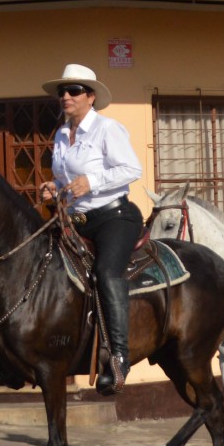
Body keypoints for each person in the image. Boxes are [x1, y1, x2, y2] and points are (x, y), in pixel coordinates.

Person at [39, 63, 143, 395]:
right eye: (62, 92)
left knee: (107, 272)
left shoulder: (107, 129)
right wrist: (54, 188)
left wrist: (92, 182)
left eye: (74, 91)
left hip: (115, 218)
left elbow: (132, 168)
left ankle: (119, 357)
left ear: (91, 97)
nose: (66, 96)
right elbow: (65, 179)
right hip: (75, 221)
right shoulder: (60, 134)